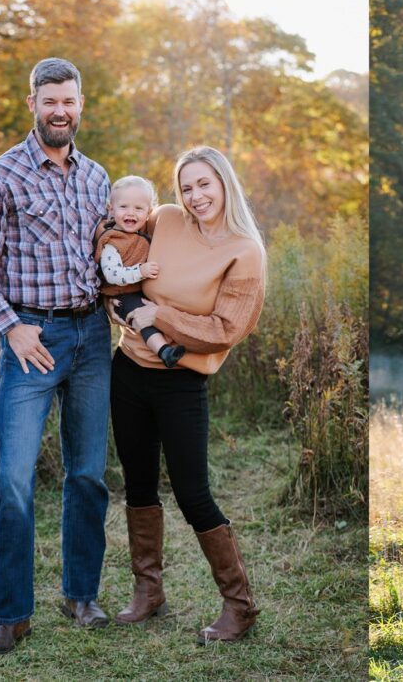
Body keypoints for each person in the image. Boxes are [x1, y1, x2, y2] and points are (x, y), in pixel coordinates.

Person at [0, 58, 113, 655]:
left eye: (69, 101)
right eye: (50, 101)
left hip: (94, 340)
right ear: (33, 104)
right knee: (15, 482)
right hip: (32, 342)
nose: (60, 110)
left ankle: (81, 594)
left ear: (80, 105)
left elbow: (110, 257)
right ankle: (12, 614)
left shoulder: (97, 177)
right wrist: (13, 329)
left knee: (88, 474)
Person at [109, 146, 268, 644]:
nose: (195, 196)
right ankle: (148, 592)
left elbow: (225, 329)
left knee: (192, 491)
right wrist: (121, 301)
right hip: (129, 368)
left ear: (224, 184)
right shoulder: (167, 220)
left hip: (182, 381)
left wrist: (160, 317)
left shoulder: (245, 250)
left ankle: (239, 606)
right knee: (137, 482)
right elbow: (123, 240)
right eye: (187, 187)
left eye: (205, 184)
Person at [94, 175, 185, 367]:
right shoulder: (112, 242)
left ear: (148, 212)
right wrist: (140, 271)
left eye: (138, 208)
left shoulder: (142, 237)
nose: (131, 213)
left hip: (137, 290)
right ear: (111, 209)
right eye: (123, 206)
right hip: (122, 295)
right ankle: (164, 351)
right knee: (143, 317)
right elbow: (112, 275)